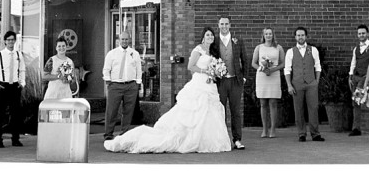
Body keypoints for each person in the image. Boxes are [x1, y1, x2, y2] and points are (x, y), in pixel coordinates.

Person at [104, 27, 231, 153]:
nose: (210, 37)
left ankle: (207, 140)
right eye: (208, 35)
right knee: (195, 112)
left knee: (210, 112)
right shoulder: (198, 50)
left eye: (212, 35)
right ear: (203, 37)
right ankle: (109, 134)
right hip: (198, 84)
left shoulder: (214, 52)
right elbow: (190, 66)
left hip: (209, 85)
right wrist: (206, 71)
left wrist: (215, 73)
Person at [284, 26, 324, 142]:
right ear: (295, 37)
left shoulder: (313, 50)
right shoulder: (290, 52)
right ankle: (301, 134)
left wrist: (316, 81)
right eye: (298, 35)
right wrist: (289, 85)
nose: (300, 37)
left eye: (302, 35)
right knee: (298, 109)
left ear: (306, 36)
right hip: (297, 84)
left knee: (313, 108)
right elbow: (287, 70)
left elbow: (318, 66)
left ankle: (315, 133)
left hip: (311, 83)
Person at [0, 30, 26, 148]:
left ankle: (15, 139)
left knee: (16, 114)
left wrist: (22, 83)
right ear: (5, 41)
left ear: (15, 41)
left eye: (12, 40)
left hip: (15, 86)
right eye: (8, 40)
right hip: (3, 86)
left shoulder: (19, 55)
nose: (10, 42)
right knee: (0, 114)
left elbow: (22, 70)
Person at [216, 16, 249, 149]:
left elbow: (245, 59)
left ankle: (237, 140)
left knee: (235, 111)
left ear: (230, 25)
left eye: (226, 24)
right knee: (220, 111)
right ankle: (223, 140)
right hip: (220, 82)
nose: (224, 26)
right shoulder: (215, 41)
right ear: (218, 25)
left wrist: (244, 77)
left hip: (235, 81)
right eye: (221, 24)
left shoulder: (238, 41)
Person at [102, 31, 142, 141]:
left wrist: (137, 83)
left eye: (126, 39)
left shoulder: (135, 54)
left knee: (128, 111)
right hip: (115, 85)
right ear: (119, 40)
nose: (124, 41)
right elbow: (106, 69)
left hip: (131, 86)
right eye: (122, 39)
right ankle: (108, 134)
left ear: (129, 40)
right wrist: (108, 81)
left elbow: (139, 69)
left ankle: (125, 134)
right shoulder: (112, 53)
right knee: (111, 110)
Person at [251, 27, 285, 138]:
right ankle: (264, 129)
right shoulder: (259, 47)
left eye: (270, 33)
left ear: (273, 35)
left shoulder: (278, 48)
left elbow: (283, 63)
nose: (268, 35)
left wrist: (272, 70)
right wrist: (263, 69)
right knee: (263, 103)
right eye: (267, 34)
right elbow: (254, 63)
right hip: (262, 76)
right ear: (263, 35)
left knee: (273, 103)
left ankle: (273, 129)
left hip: (274, 75)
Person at [348, 24, 369, 136]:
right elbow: (353, 62)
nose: (361, 35)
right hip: (356, 77)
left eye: (363, 33)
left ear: (367, 34)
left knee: (357, 99)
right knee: (355, 102)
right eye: (359, 33)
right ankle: (356, 128)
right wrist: (350, 76)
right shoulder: (356, 48)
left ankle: (356, 128)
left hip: (365, 77)